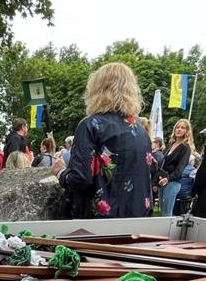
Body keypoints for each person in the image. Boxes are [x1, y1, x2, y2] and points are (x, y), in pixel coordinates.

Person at [52, 62, 152, 218]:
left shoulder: (91, 125)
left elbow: (79, 180)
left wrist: (60, 173)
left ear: (97, 89)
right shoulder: (141, 131)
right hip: (137, 222)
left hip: (98, 227)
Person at [156, 119, 193, 216]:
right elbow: (162, 163)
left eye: (182, 128)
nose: (179, 129)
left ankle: (167, 231)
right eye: (177, 127)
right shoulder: (170, 144)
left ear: (187, 131)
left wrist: (168, 179)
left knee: (166, 213)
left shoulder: (185, 147)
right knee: (160, 211)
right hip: (162, 180)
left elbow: (180, 169)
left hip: (173, 182)